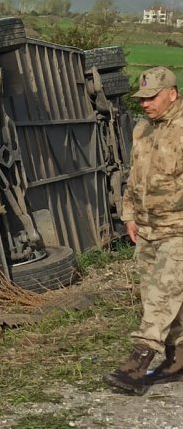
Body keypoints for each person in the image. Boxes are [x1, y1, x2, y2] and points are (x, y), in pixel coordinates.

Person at [105, 66, 183, 394]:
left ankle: (137, 364)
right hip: (147, 229)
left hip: (178, 230)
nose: (146, 104)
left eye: (152, 98)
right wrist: (129, 216)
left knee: (162, 294)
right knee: (158, 295)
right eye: (143, 98)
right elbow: (134, 177)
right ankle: (178, 358)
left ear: (172, 94)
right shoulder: (142, 130)